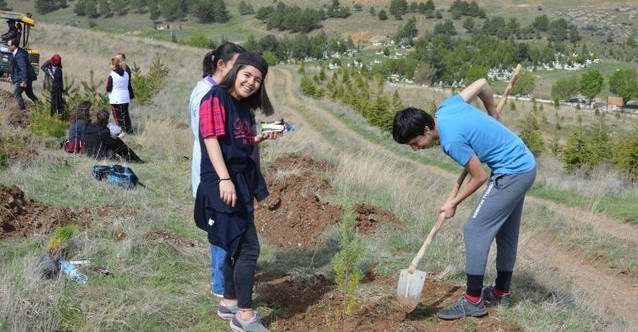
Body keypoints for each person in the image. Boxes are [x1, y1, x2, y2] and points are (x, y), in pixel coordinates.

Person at [392, 78, 536, 320]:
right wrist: (492, 112)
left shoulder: (450, 142)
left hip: (511, 172)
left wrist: (453, 203)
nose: (416, 148)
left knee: (474, 229)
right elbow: (481, 84)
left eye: (416, 143)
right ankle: (501, 293)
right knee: (505, 232)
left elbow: (479, 176)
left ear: (427, 130)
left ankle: (472, 301)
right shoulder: (446, 108)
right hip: (525, 163)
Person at [193, 52, 278, 332]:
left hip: (238, 182)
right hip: (223, 183)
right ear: (235, 71)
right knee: (249, 249)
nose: (252, 82)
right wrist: (224, 178)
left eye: (258, 79)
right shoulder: (216, 97)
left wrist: (258, 138)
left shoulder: (242, 106)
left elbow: (237, 142)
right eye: (247, 75)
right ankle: (244, 316)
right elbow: (211, 139)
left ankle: (229, 302)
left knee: (234, 245)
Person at [189, 42, 245, 299]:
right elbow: (211, 138)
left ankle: (224, 281)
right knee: (222, 229)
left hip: (218, 174)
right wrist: (224, 176)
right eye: (238, 67)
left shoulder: (214, 91)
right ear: (221, 65)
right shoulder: (208, 95)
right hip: (214, 175)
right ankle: (221, 287)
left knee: (224, 228)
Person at [7, 38, 38, 111]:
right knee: (29, 93)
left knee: (17, 93)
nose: (7, 47)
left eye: (9, 45)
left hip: (24, 77)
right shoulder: (14, 53)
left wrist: (24, 81)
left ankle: (22, 110)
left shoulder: (20, 55)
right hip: (24, 77)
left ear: (13, 46)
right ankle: (41, 107)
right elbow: (14, 67)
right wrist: (11, 77)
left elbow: (23, 69)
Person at [106, 55, 134, 134]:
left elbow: (108, 88)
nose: (110, 66)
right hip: (125, 98)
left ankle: (121, 132)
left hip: (116, 99)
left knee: (117, 116)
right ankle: (129, 130)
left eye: (111, 64)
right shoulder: (126, 73)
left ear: (114, 65)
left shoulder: (111, 75)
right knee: (125, 114)